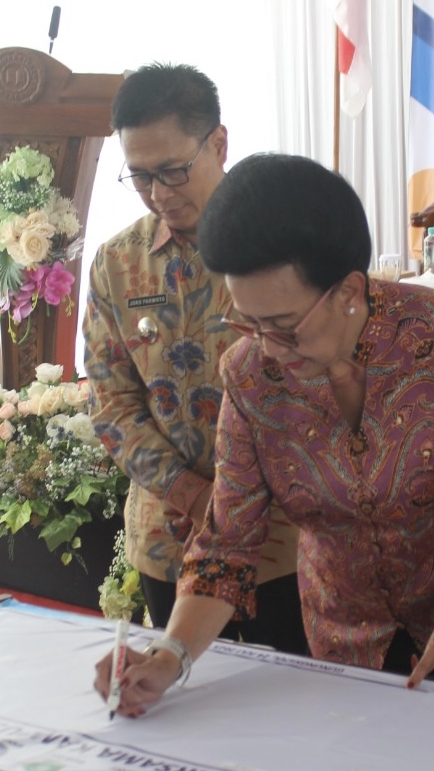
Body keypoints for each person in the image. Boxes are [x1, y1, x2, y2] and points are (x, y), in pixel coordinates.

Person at [96, 153, 434, 713]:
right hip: (348, 648)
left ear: (348, 291)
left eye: (284, 327)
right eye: (250, 324)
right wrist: (168, 657)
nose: (268, 348)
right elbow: (227, 540)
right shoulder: (250, 376)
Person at [83, 63, 306, 655]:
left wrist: (239, 502)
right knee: (185, 692)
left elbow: (323, 382)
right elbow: (111, 406)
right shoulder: (117, 263)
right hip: (171, 539)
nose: (159, 193)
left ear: (219, 144)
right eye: (140, 176)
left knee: (296, 698)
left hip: (285, 542)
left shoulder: (287, 244)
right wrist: (191, 493)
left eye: (173, 170)